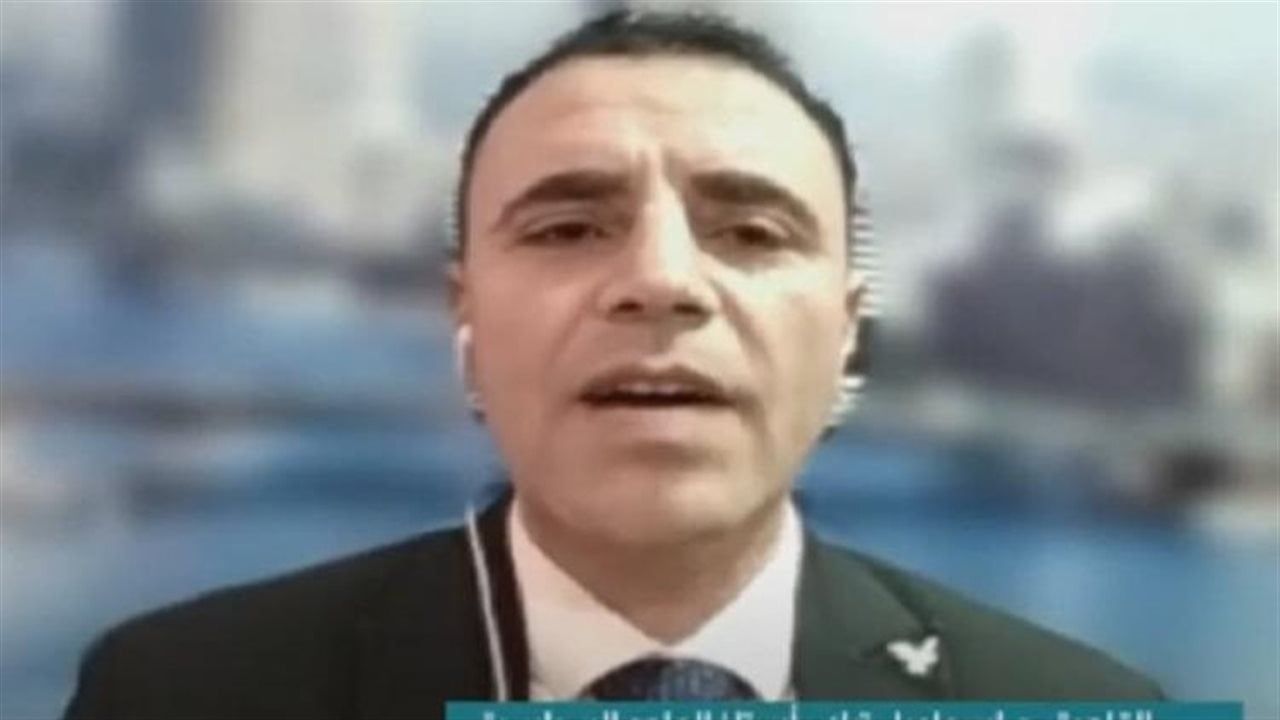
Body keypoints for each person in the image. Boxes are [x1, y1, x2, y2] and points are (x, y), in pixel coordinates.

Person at [64, 10, 1162, 718]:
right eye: (567, 229)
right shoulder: (177, 694)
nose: (661, 282)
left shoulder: (1075, 704)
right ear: (464, 320)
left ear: (845, 336)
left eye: (751, 233)